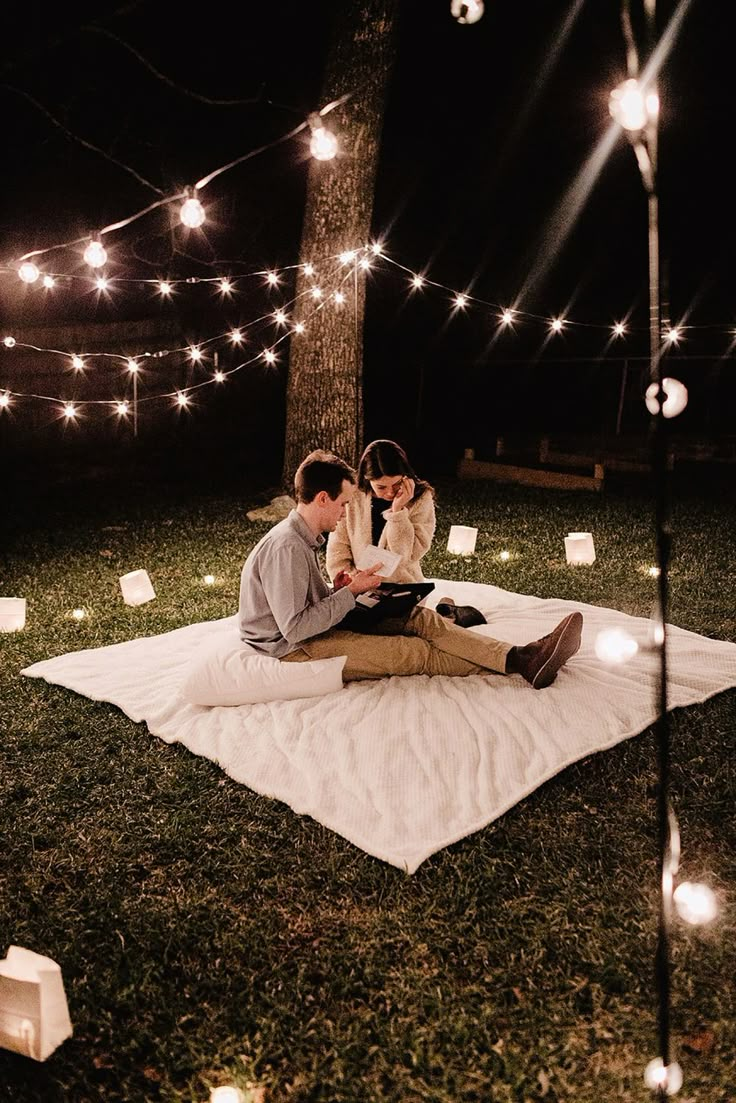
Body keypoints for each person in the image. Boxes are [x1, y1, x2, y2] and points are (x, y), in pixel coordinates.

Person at [238, 449, 583, 690]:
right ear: (323, 499)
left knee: (421, 620)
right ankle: (522, 662)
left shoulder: (302, 538)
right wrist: (351, 593)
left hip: (313, 628)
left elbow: (304, 605)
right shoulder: (286, 547)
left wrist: (342, 589)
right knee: (413, 651)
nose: (345, 512)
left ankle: (523, 655)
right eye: (343, 503)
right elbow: (296, 628)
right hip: (294, 649)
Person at [326, 439, 435, 584]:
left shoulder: (420, 498)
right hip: (357, 587)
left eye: (396, 484)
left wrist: (398, 512)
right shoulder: (352, 497)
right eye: (381, 487)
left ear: (405, 476)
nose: (390, 493)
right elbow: (337, 552)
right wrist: (353, 584)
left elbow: (409, 555)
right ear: (367, 479)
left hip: (403, 586)